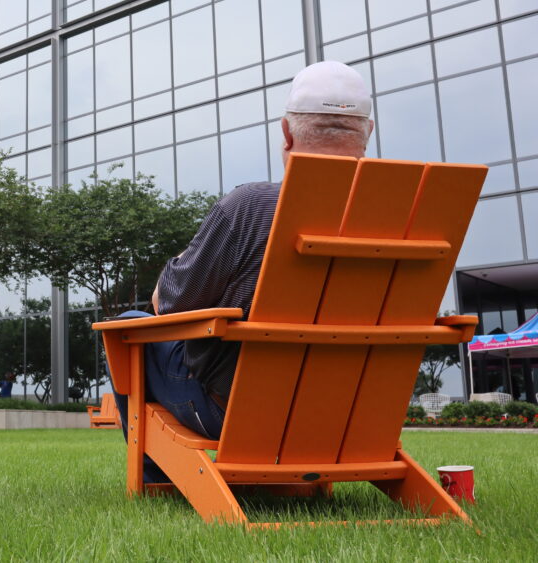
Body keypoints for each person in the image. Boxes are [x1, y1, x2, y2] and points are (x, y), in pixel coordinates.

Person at [131, 61, 374, 467]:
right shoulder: (400, 215)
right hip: (346, 417)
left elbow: (170, 306)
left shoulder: (248, 208)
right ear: (368, 132)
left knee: (128, 323)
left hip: (238, 413)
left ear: (286, 133)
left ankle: (159, 478)